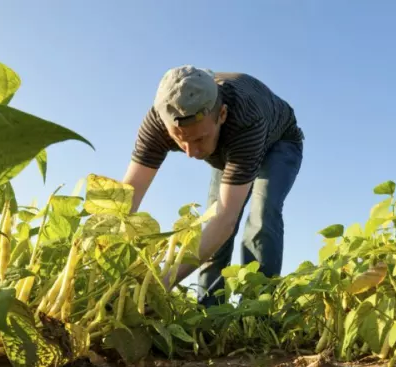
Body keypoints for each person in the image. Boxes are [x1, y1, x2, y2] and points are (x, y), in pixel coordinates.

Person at [121, 65, 304, 307]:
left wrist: (161, 282)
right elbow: (127, 196)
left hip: (278, 142)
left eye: (199, 138)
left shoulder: (246, 118)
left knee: (262, 212)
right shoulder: (158, 121)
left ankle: (258, 310)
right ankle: (209, 312)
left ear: (222, 114)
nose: (192, 153)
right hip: (226, 148)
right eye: (180, 140)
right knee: (211, 225)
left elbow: (226, 219)